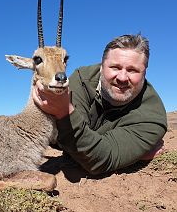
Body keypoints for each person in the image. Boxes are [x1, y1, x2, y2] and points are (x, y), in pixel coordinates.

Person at [33, 34, 167, 175]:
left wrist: (64, 113)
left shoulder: (152, 118)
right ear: (101, 67)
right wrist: (136, 155)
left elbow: (99, 160)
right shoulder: (82, 79)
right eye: (115, 67)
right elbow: (68, 144)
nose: (122, 78)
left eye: (132, 70)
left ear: (145, 72)